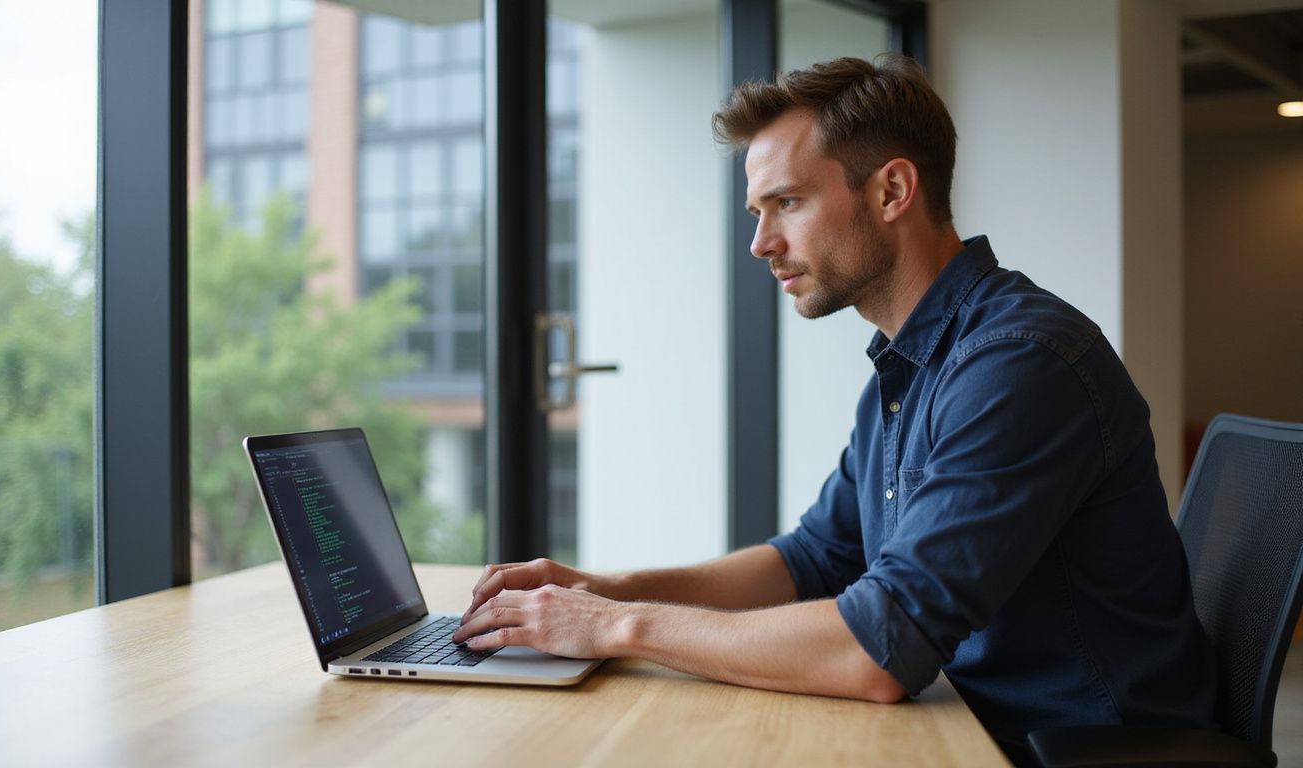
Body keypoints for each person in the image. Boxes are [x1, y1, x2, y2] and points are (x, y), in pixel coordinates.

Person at [452, 54, 1217, 762]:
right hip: (970, 721)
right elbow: (814, 559)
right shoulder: (914, 362)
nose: (760, 243)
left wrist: (619, 627)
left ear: (891, 191)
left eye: (787, 202)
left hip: (1068, 747)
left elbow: (879, 650)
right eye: (757, 210)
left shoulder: (1020, 363)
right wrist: (605, 589)